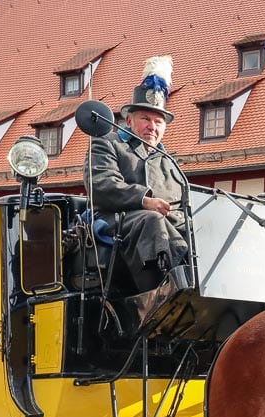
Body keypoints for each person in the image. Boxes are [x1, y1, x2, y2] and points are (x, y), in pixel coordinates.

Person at [84, 55, 190, 317]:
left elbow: (186, 203)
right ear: (129, 120)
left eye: (158, 122)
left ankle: (198, 287)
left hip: (167, 228)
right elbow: (101, 184)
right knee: (152, 221)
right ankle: (164, 298)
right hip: (118, 221)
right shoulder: (106, 143)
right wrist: (144, 200)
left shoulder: (170, 162)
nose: (152, 127)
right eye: (146, 119)